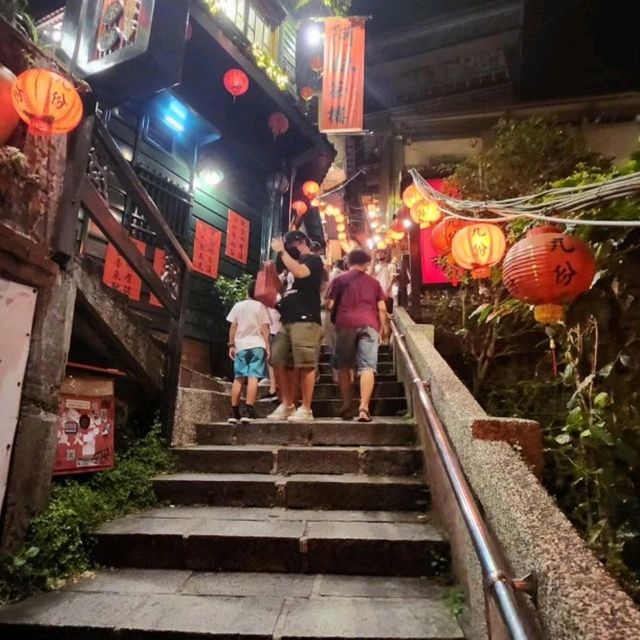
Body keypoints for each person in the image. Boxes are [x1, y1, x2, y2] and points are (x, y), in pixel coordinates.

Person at [268, 230, 324, 422]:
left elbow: (301, 273)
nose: (288, 251)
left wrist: (282, 252)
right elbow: (282, 289)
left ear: (299, 243)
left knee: (305, 362)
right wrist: (273, 274)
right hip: (287, 318)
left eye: (289, 246)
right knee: (277, 358)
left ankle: (306, 408)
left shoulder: (314, 260)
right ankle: (287, 404)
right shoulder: (290, 266)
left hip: (306, 317)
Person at [328, 249, 389, 423]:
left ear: (347, 262)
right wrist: (382, 329)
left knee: (344, 366)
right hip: (369, 324)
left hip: (345, 324)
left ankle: (347, 405)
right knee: (367, 366)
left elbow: (330, 304)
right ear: (365, 264)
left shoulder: (339, 280)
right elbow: (382, 308)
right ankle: (363, 407)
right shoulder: (374, 282)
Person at [226, 280, 270, 423]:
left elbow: (233, 326)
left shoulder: (238, 306)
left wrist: (231, 345)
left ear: (247, 292)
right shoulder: (261, 307)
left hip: (241, 346)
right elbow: (265, 329)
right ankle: (248, 410)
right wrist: (268, 346)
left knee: (238, 378)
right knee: (253, 377)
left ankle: (234, 412)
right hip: (257, 345)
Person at [373, 249, 397, 314]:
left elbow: (392, 279)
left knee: (388, 315)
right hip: (376, 296)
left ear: (386, 255)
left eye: (381, 252)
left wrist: (386, 292)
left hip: (387, 295)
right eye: (378, 253)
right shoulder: (375, 267)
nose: (379, 254)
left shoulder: (391, 266)